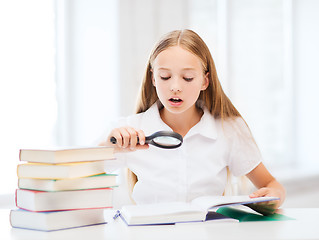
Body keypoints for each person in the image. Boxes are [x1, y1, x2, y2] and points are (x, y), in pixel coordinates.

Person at [100, 29, 285, 214]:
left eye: (187, 78)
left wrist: (272, 196)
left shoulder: (229, 129)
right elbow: (78, 174)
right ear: (153, 78)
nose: (175, 87)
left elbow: (272, 185)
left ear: (205, 81)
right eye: (165, 77)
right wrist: (109, 146)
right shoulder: (129, 130)